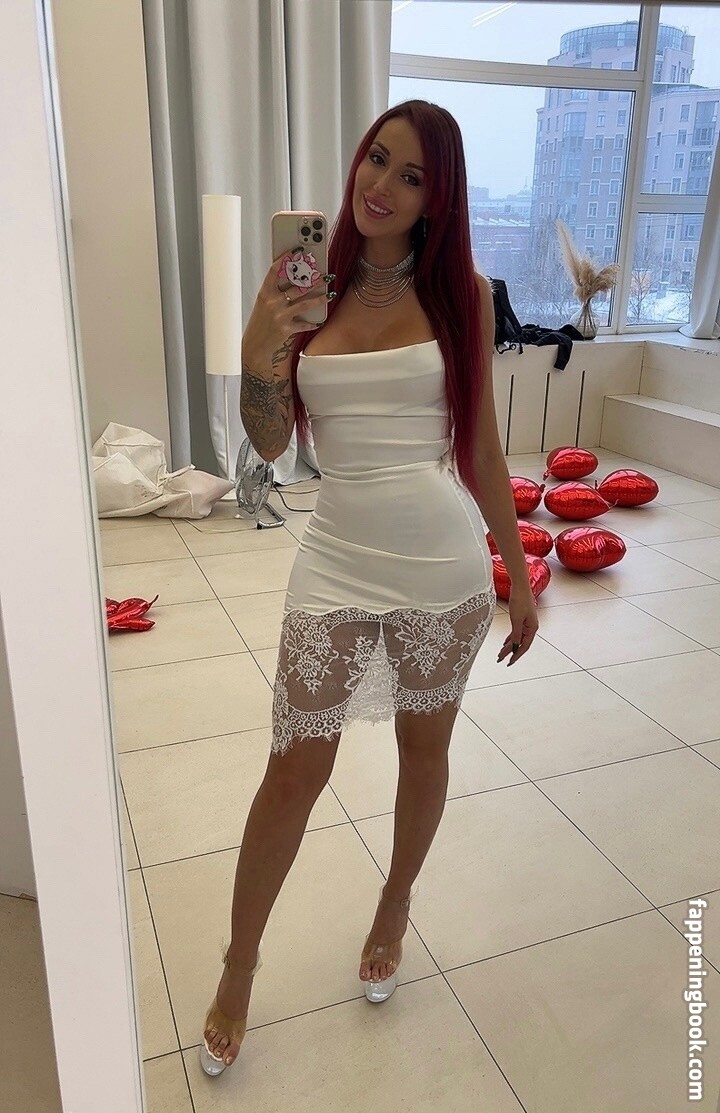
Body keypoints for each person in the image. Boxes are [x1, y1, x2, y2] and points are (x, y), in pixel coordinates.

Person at [201, 100, 539, 1076]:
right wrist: (262, 336)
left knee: (422, 752)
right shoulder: (308, 290)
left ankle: (394, 906)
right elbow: (270, 441)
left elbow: (480, 448)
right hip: (336, 558)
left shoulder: (464, 295)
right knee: (292, 770)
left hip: (440, 564)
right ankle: (239, 964)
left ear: (440, 199)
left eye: (412, 175)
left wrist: (518, 574)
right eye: (377, 159)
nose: (381, 185)